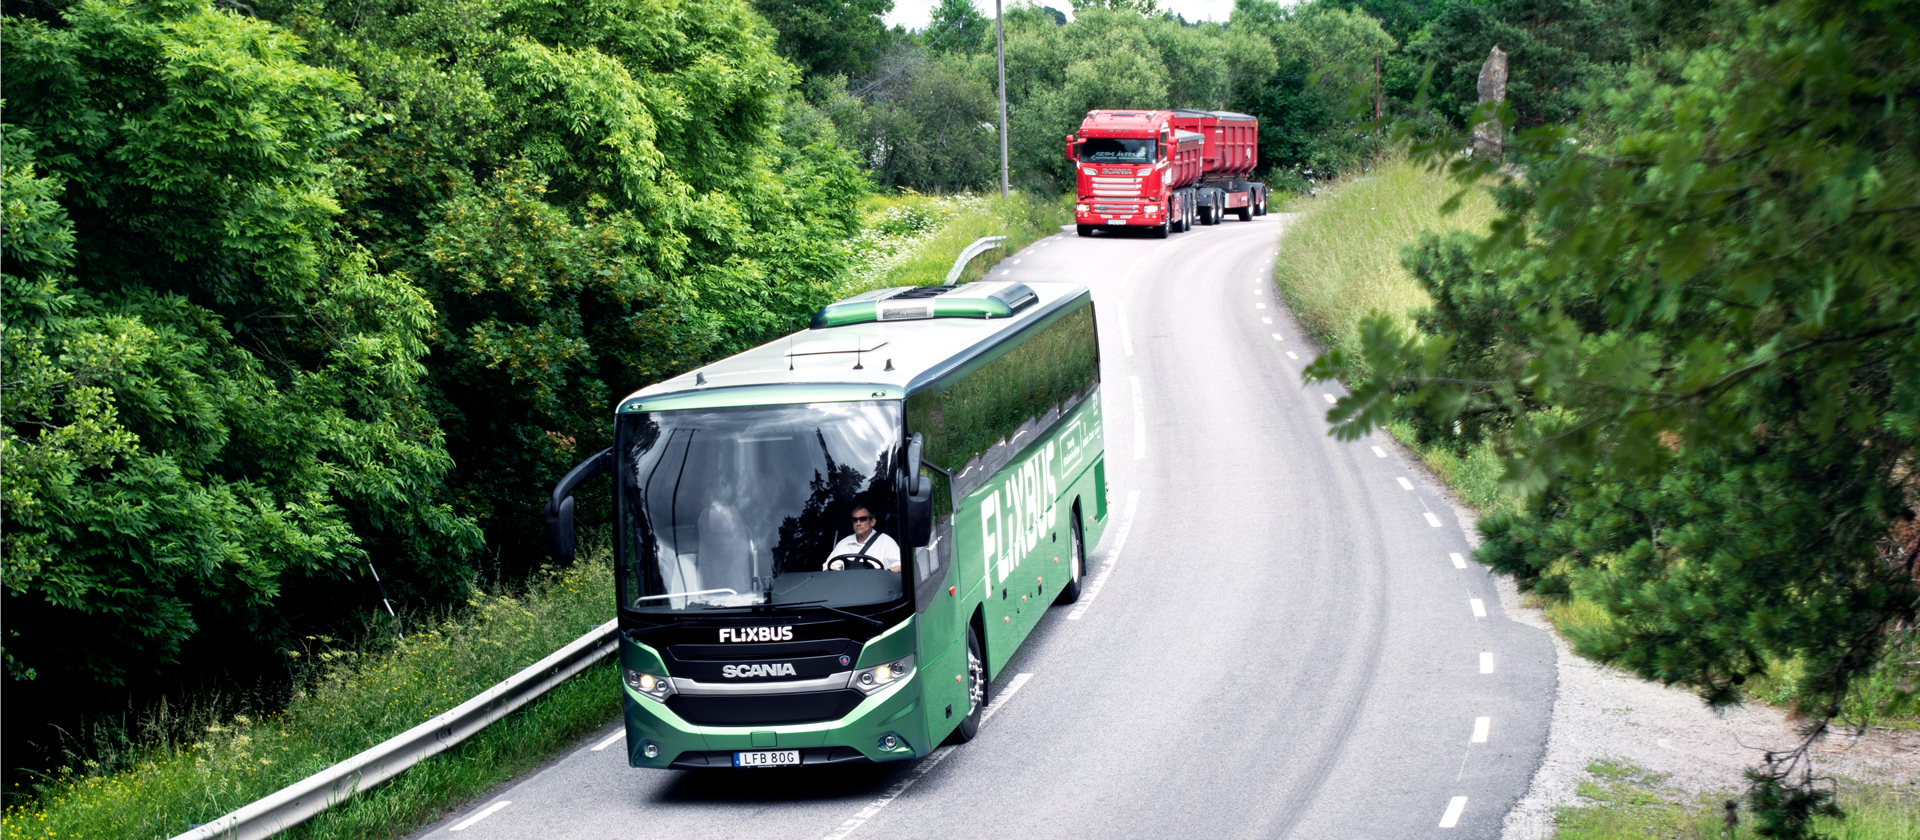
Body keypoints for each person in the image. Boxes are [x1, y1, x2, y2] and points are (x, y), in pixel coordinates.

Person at [823, 505, 900, 572]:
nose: (858, 523)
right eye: (855, 520)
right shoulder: (844, 543)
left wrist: (881, 573)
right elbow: (828, 568)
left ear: (872, 522)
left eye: (863, 519)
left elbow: (901, 565)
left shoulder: (886, 542)